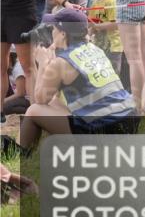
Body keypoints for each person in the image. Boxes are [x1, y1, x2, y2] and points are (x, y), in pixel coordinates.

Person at [20, 8, 138, 150]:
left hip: (105, 129)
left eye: (54, 29)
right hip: (129, 119)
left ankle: (23, 154)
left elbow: (39, 100)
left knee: (33, 110)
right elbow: (54, 98)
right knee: (56, 102)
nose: (52, 32)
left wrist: (43, 64)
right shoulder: (95, 49)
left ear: (63, 34)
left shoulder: (61, 62)